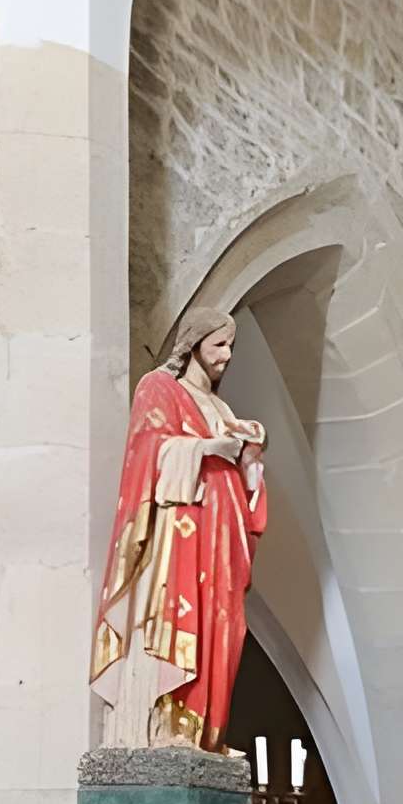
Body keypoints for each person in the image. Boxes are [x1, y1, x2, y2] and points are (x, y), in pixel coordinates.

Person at [92, 309, 269, 749]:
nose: (227, 355)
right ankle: (171, 726)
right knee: (187, 617)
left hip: (222, 531)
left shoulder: (222, 407)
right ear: (193, 344)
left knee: (223, 625)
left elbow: (247, 488)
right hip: (181, 534)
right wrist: (208, 447)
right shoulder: (160, 388)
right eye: (219, 345)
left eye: (231, 345)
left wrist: (249, 460)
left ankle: (207, 733)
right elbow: (146, 452)